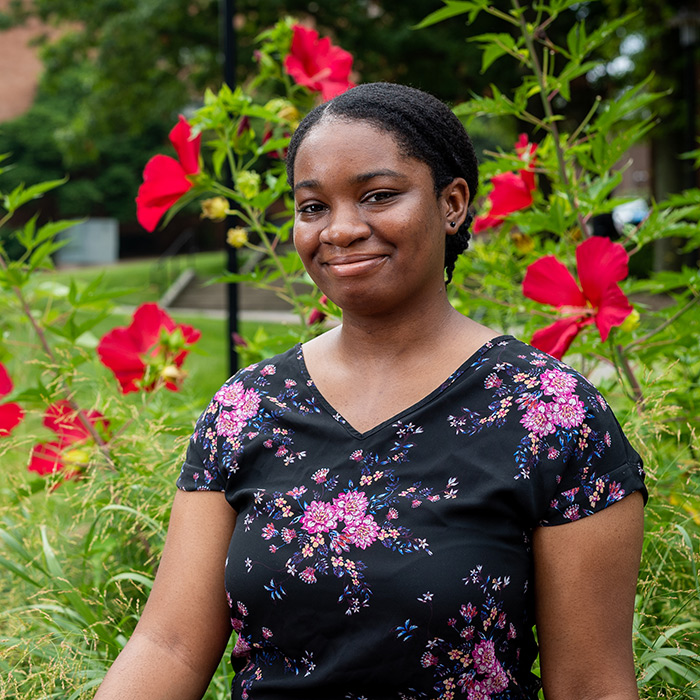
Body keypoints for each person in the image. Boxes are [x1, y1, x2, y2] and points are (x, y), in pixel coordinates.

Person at [95, 82, 647, 700]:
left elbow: (592, 684)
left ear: (452, 203)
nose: (341, 229)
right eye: (313, 207)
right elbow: (169, 645)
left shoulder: (549, 413)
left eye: (378, 196)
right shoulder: (248, 408)